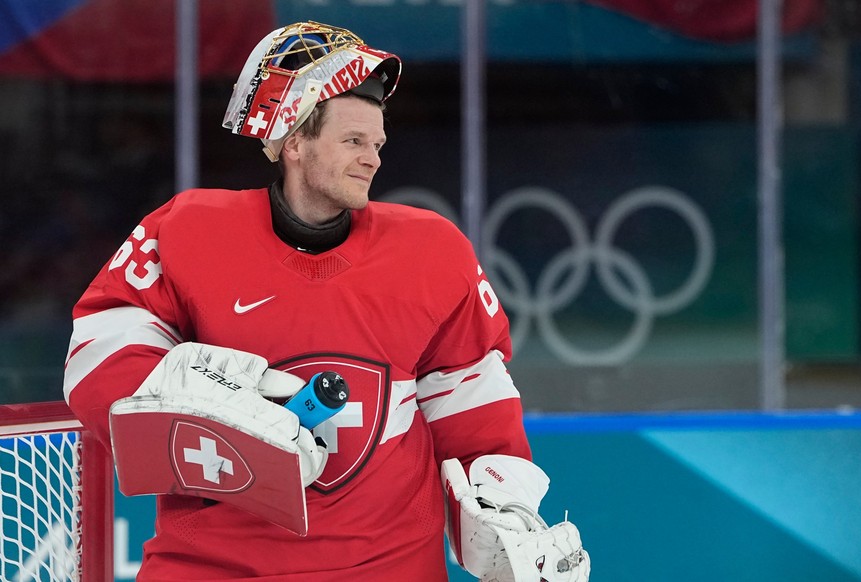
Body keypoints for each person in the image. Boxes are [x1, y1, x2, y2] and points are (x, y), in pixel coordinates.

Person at [63, 21, 589, 581]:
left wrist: (500, 507)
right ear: (294, 142)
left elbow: (472, 404)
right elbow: (96, 358)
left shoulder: (433, 252)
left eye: (377, 144)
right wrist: (203, 408)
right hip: (213, 568)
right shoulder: (187, 230)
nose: (373, 159)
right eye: (353, 141)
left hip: (387, 569)